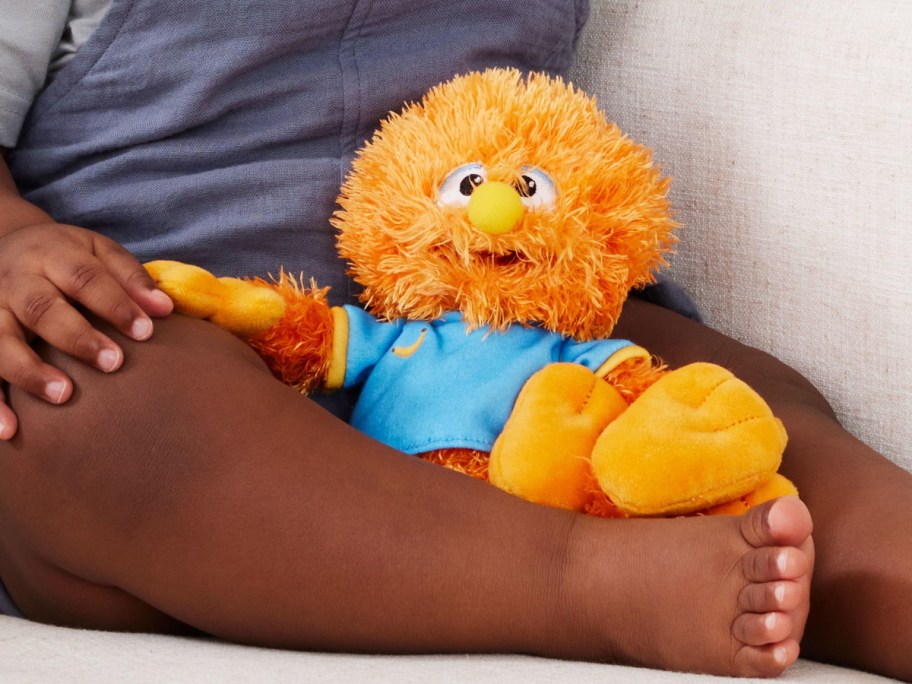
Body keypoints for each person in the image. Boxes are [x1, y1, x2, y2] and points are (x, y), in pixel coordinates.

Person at [0, 1, 900, 681]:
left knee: (730, 404)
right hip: (194, 320)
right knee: (82, 400)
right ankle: (587, 584)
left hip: (504, 309)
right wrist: (11, 240)